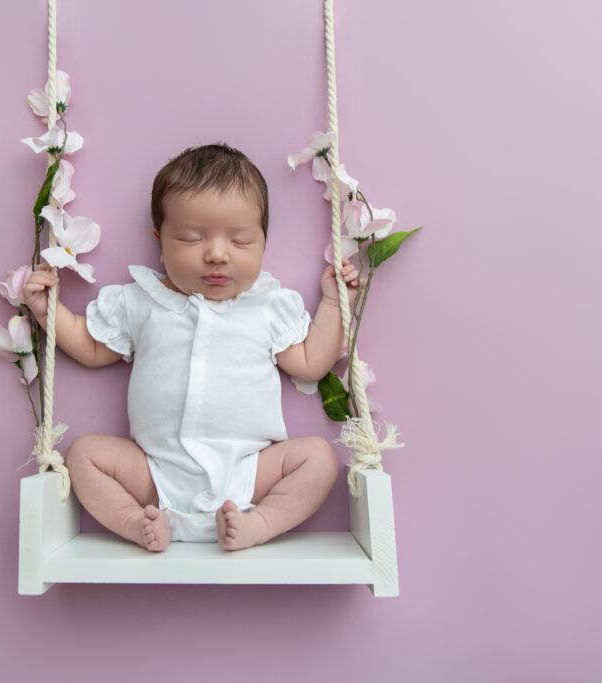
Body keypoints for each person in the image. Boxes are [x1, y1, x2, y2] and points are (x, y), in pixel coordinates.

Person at [23, 143, 359, 552]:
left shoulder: (268, 305)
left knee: (318, 460)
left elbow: (310, 363)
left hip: (249, 470)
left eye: (239, 241)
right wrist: (48, 313)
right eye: (191, 238)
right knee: (83, 455)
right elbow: (91, 346)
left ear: (264, 242)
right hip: (156, 470)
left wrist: (332, 303)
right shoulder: (140, 300)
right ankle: (137, 522)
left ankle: (260, 523)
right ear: (160, 240)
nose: (217, 255)